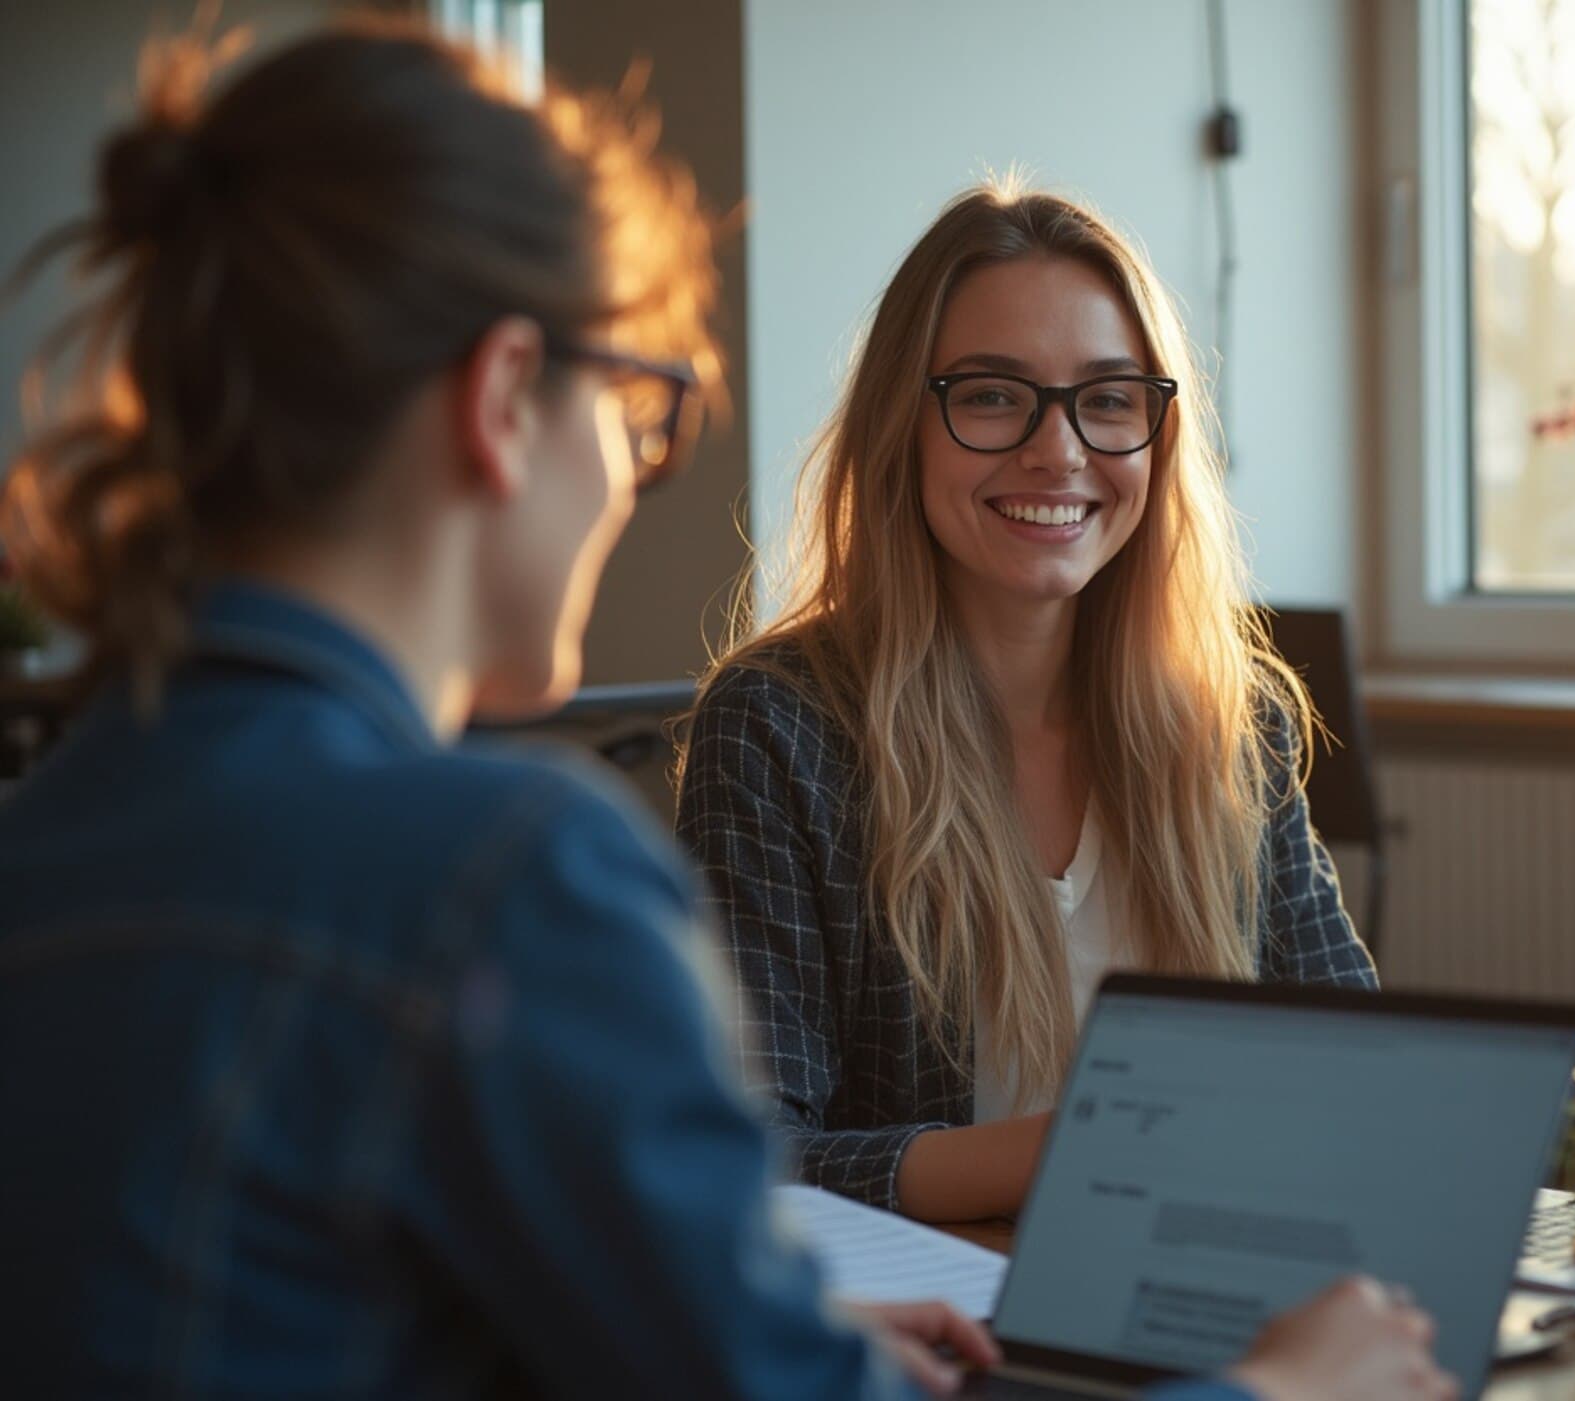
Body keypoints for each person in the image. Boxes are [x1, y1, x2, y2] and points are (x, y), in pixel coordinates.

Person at [0, 20, 1452, 1401]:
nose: (631, 477)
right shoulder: (504, 874)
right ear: (507, 400)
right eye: (636, 411)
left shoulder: (50, 827)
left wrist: (722, 1313)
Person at [675, 185, 1375, 1226]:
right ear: (900, 427)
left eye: (1107, 399)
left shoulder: (1231, 723)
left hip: (1210, 1281)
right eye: (994, 396)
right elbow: (745, 1156)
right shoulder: (780, 728)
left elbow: (1356, 1071)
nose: (1059, 452)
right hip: (943, 1339)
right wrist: (1089, 1149)